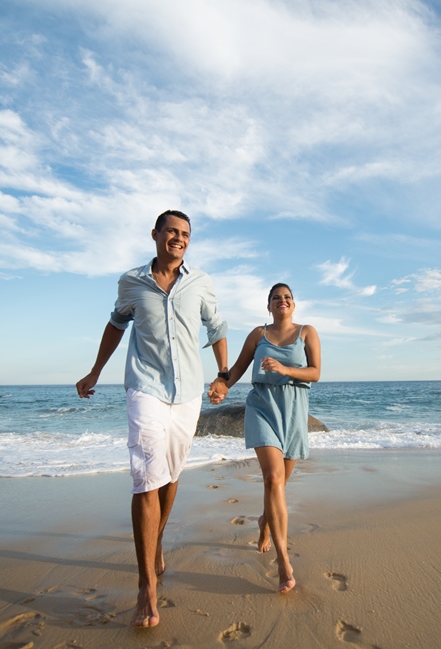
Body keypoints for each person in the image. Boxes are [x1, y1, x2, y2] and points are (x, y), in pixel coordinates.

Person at [76, 210, 230, 628]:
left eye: (185, 234)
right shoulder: (132, 281)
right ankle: (146, 585)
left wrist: (223, 375)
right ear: (155, 234)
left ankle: (156, 538)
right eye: (172, 231)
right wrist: (95, 371)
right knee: (146, 476)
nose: (179, 238)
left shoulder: (200, 283)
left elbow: (217, 328)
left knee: (170, 475)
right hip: (144, 387)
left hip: (188, 394)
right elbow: (115, 325)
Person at [209, 282, 320, 593]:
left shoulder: (307, 332)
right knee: (272, 478)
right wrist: (221, 386)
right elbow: (236, 369)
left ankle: (264, 521)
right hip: (261, 407)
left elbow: (315, 372)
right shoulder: (258, 334)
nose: (282, 301)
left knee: (279, 484)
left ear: (293, 304)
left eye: (287, 297)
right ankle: (284, 562)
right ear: (268, 305)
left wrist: (285, 369)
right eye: (276, 298)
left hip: (293, 412)